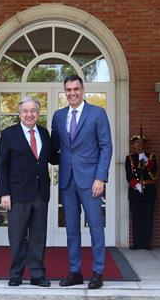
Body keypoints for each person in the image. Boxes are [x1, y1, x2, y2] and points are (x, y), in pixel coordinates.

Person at [51, 75, 112, 289]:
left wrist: (100, 178)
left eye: (76, 89)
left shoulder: (97, 113)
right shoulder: (58, 116)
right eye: (68, 90)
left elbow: (106, 147)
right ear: (64, 92)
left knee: (96, 227)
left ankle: (97, 273)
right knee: (71, 229)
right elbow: (54, 148)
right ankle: (75, 271)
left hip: (91, 181)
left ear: (83, 89)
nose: (72, 93)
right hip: (67, 181)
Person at [0, 96, 57, 287]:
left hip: (40, 193)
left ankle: (37, 275)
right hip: (17, 194)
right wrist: (4, 193)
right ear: (19, 114)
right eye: (25, 111)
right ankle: (16, 274)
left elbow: (54, 158)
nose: (29, 114)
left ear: (38, 113)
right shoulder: (9, 134)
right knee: (17, 236)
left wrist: (77, 151)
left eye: (33, 111)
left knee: (38, 236)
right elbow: (0, 165)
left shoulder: (44, 133)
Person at [125, 135, 158, 250]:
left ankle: (146, 243)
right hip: (135, 191)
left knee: (148, 217)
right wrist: (137, 185)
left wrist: (147, 162)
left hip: (149, 191)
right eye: (136, 143)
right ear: (133, 145)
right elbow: (129, 175)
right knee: (136, 217)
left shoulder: (151, 157)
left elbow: (155, 174)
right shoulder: (129, 158)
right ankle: (137, 242)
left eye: (141, 143)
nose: (139, 145)